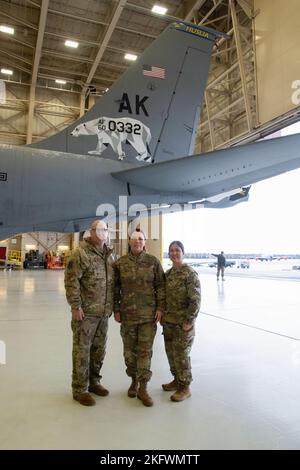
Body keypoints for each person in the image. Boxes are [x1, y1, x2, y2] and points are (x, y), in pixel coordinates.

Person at [64, 220, 114, 406]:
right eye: (97, 229)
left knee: (99, 350)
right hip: (85, 314)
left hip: (103, 314)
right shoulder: (81, 253)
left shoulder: (108, 255)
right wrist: (75, 306)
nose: (101, 232)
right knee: (82, 351)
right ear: (91, 232)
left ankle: (94, 382)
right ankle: (79, 389)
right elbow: (71, 281)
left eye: (104, 229)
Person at [114, 230, 165, 407]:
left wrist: (160, 308)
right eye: (134, 239)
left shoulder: (153, 262)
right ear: (129, 242)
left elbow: (161, 286)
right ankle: (133, 381)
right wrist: (116, 309)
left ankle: (143, 387)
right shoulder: (120, 263)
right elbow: (115, 288)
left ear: (144, 243)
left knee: (145, 352)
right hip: (127, 316)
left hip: (147, 317)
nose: (137, 242)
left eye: (141, 239)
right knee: (129, 352)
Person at [161, 241, 201, 402]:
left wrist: (189, 321)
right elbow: (163, 297)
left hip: (183, 324)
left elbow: (196, 300)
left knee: (182, 355)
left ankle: (185, 387)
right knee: (171, 354)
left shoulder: (189, 273)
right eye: (171, 251)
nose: (174, 253)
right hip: (169, 323)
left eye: (177, 250)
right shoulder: (168, 274)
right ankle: (177, 379)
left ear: (183, 253)